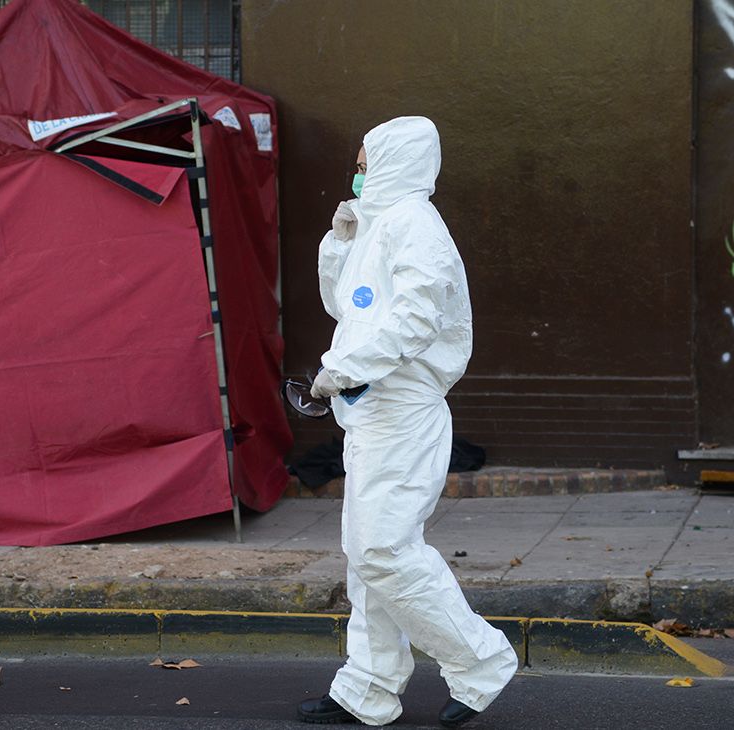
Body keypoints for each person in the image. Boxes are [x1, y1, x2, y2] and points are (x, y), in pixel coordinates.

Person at [298, 117, 517, 727]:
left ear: (395, 161)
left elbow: (415, 321)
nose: (359, 171)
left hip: (403, 414)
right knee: (366, 557)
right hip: (373, 414)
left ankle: (480, 660)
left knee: (382, 550)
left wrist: (340, 368)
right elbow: (349, 306)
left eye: (367, 161)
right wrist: (340, 241)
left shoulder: (417, 227)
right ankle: (367, 688)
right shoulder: (382, 224)